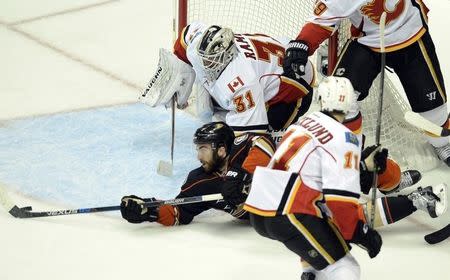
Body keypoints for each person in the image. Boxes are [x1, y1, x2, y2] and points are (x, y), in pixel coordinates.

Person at [239, 77, 444, 280]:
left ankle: (310, 273)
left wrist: (364, 166)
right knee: (344, 266)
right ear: (349, 104)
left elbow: (311, 171)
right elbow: (341, 204)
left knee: (319, 234)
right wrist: (361, 233)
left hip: (259, 208)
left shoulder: (301, 125)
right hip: (288, 209)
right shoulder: (344, 136)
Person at [283, 0, 450, 166]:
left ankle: (443, 145)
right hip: (367, 42)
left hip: (410, 35)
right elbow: (324, 19)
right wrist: (302, 44)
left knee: (434, 114)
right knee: (337, 97)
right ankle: (351, 155)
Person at [140, 21, 315, 141]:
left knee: (264, 142)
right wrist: (177, 77)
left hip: (295, 86)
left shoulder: (242, 81)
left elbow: (251, 135)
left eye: (211, 61)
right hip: (276, 54)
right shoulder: (197, 37)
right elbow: (184, 40)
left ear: (227, 54)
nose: (206, 64)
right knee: (207, 109)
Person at [120, 121, 276, 226]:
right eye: (198, 149)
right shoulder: (199, 181)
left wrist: (239, 174)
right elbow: (178, 211)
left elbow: (265, 142)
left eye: (203, 149)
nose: (199, 157)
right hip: (269, 224)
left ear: (221, 150)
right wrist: (149, 211)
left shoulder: (240, 149)